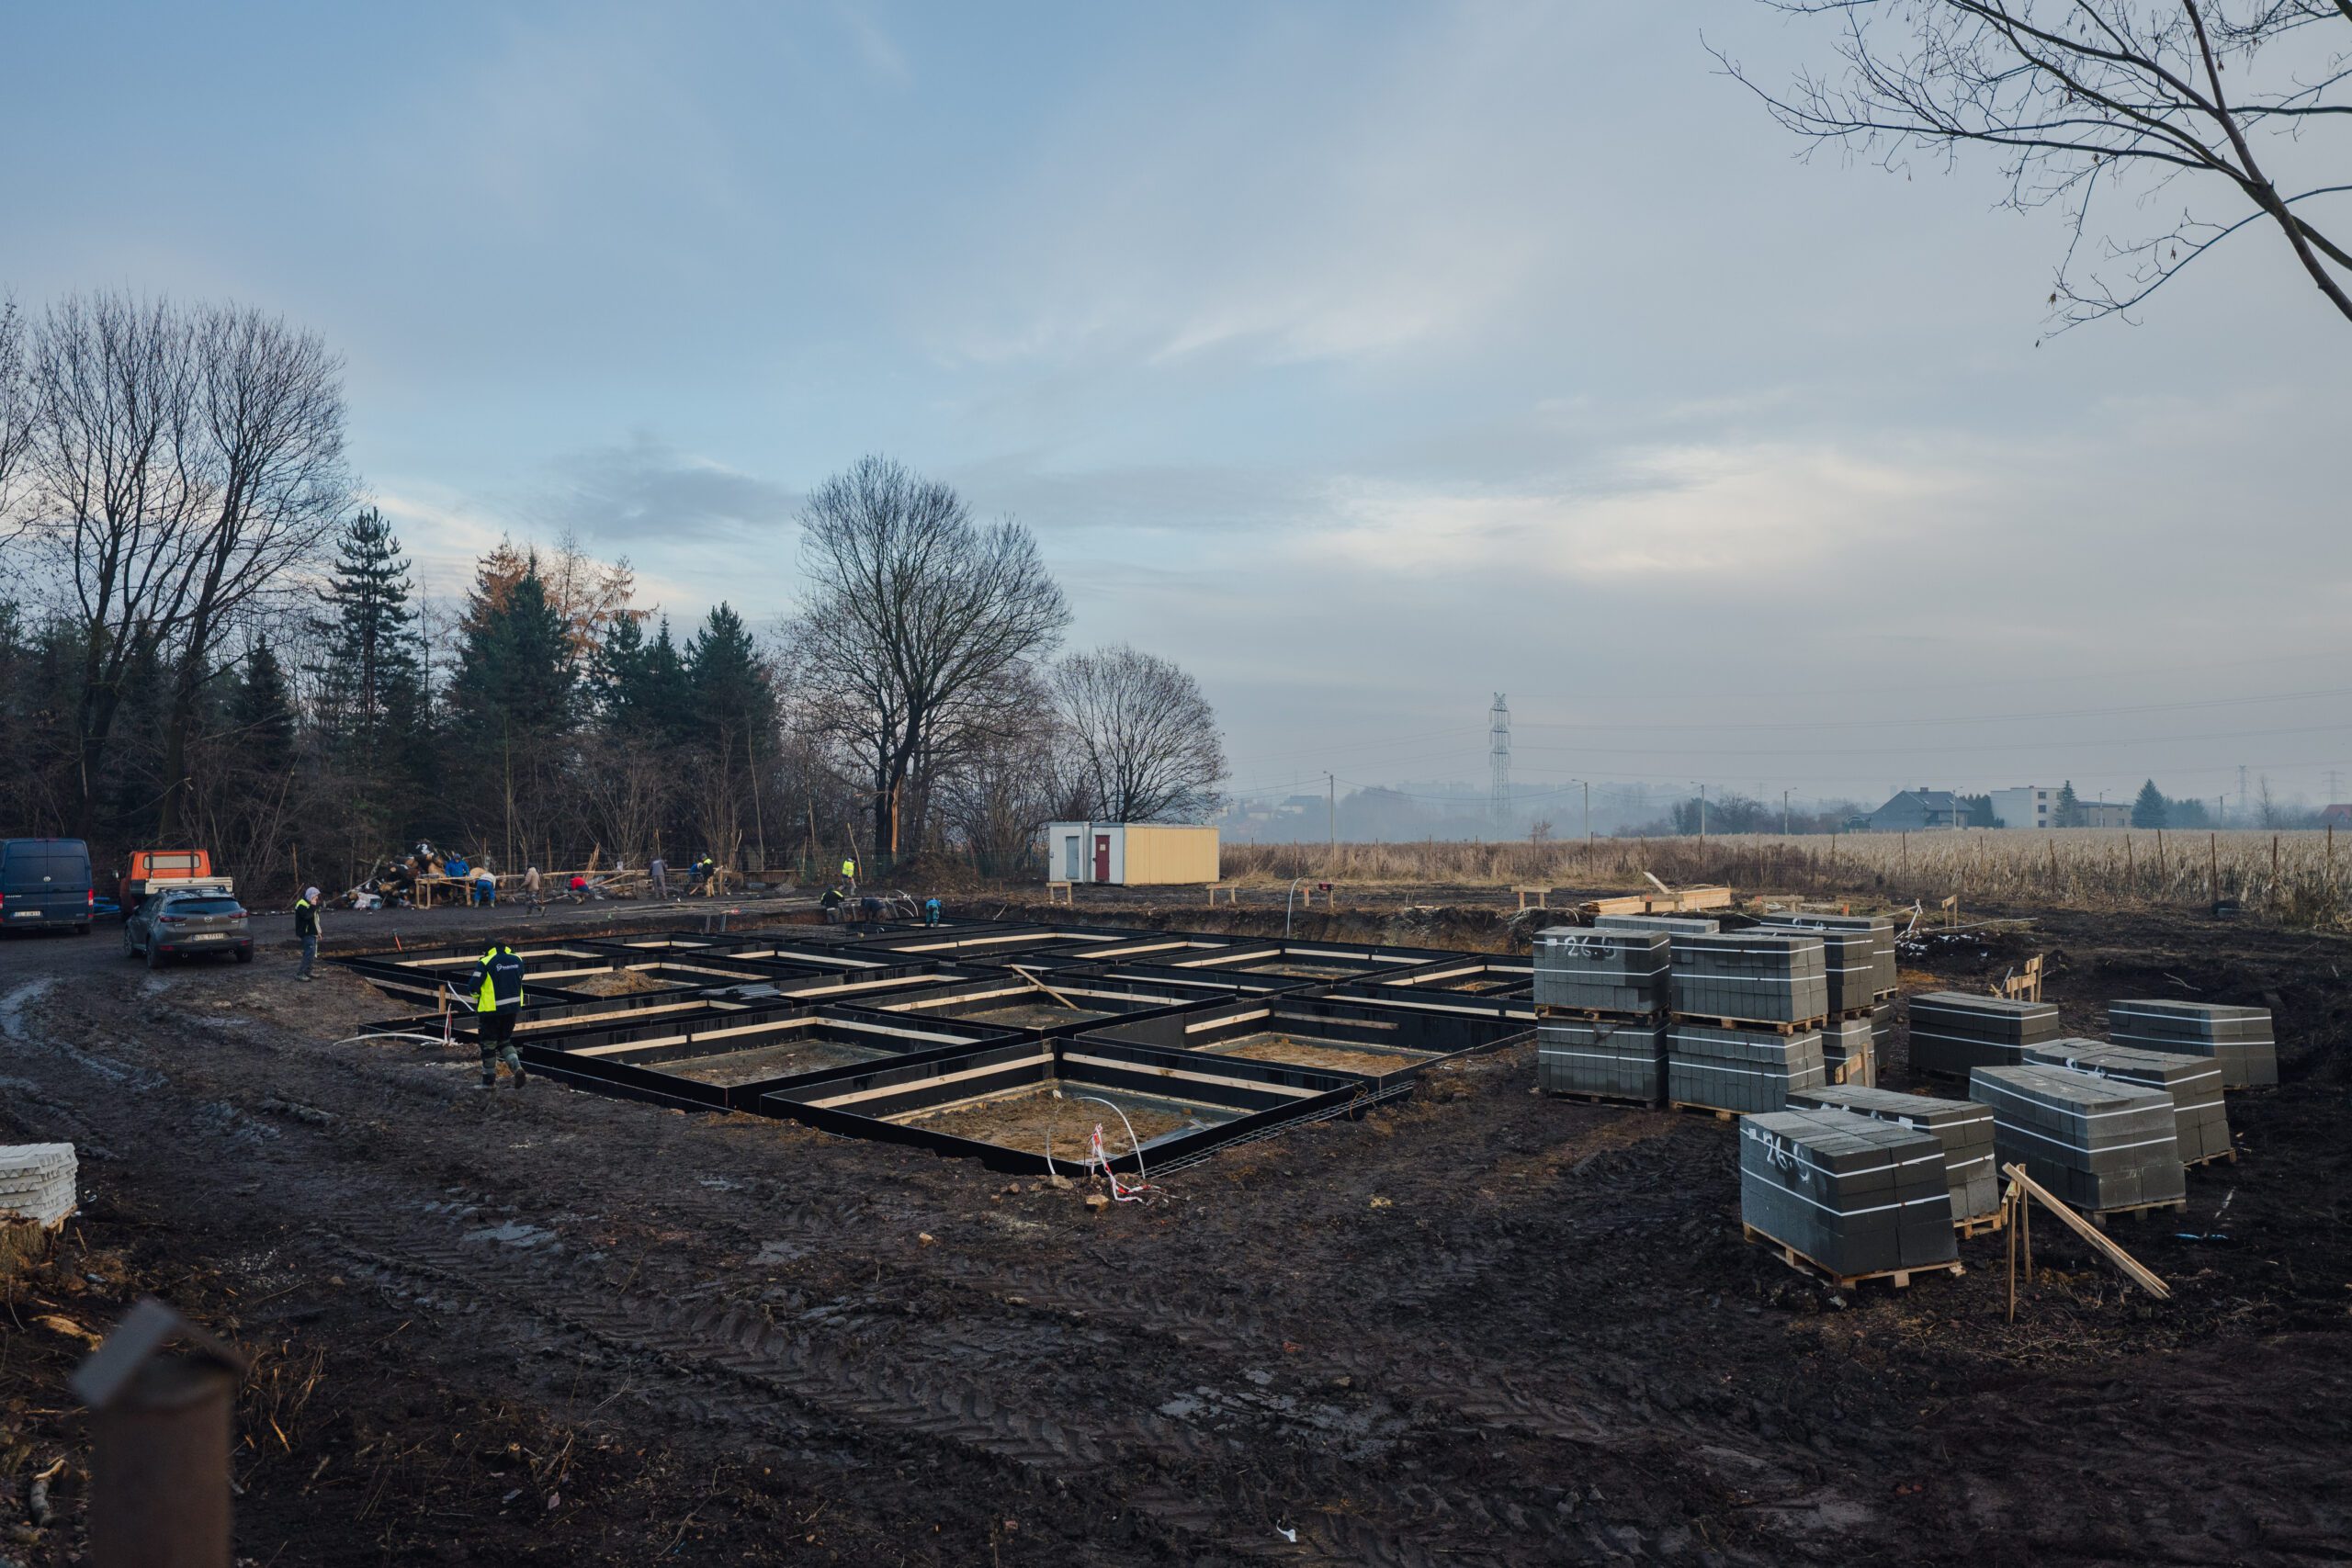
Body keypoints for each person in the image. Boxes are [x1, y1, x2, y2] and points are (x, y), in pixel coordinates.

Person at [464, 941, 529, 1089]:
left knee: (488, 1045)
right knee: (504, 1041)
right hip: (512, 1009)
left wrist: (477, 995)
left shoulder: (486, 962)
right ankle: (517, 1068)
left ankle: (488, 1082)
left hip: (491, 1011)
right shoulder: (517, 959)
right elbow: (518, 978)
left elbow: (473, 987)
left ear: (487, 950)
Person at [293, 887, 322, 981]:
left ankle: (308, 972)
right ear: (311, 895)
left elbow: (315, 919)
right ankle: (300, 974)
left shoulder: (311, 904)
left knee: (312, 953)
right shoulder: (301, 904)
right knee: (308, 953)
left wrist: (318, 932)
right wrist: (313, 906)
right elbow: (307, 916)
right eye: (315, 896)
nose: (317, 898)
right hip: (306, 933)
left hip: (312, 933)